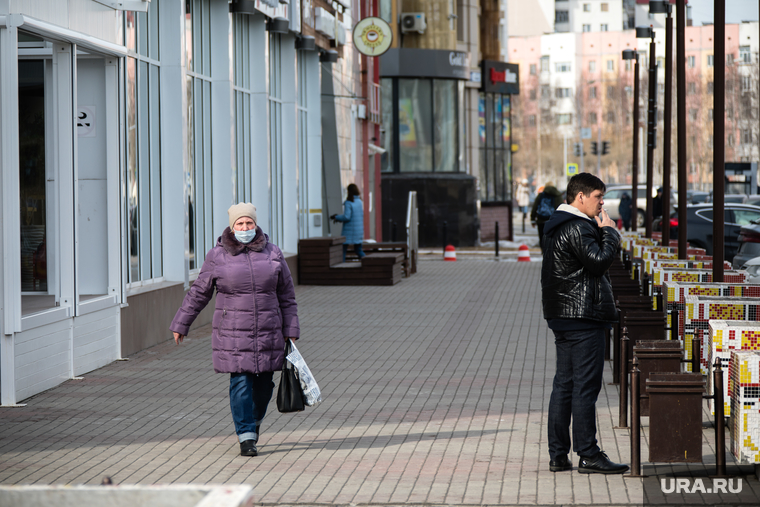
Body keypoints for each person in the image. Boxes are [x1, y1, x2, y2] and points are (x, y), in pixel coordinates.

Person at [170, 203, 299, 458]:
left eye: (248, 223)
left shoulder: (273, 253)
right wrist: (181, 323)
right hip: (233, 332)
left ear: (255, 224)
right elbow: (199, 292)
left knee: (264, 388)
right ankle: (246, 436)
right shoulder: (217, 256)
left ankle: (253, 422)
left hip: (268, 330)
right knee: (241, 382)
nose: (244, 228)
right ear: (232, 226)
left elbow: (287, 295)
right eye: (239, 224)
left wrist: (291, 328)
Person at [541, 172, 629, 475]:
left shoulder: (557, 225)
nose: (602, 203)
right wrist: (610, 232)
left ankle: (558, 454)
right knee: (585, 388)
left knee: (564, 385)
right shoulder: (579, 226)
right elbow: (599, 261)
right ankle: (589, 454)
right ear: (581, 197)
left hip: (563, 316)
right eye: (597, 197)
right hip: (582, 317)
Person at [331, 183, 365, 262]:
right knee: (358, 250)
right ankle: (369, 263)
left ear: (349, 191)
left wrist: (336, 217)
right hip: (359, 231)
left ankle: (342, 266)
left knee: (343, 250)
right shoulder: (359, 202)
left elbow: (347, 217)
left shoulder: (349, 202)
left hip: (350, 232)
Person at [530, 181, 563, 253]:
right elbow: (561, 208)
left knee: (542, 237)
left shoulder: (541, 195)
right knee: (553, 237)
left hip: (541, 220)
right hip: (553, 221)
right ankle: (552, 252)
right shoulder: (557, 195)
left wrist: (532, 219)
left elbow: (535, 207)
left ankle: (544, 252)